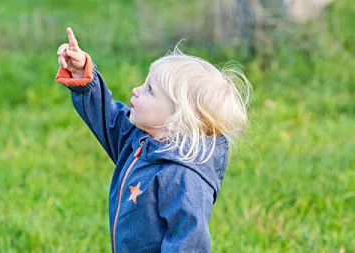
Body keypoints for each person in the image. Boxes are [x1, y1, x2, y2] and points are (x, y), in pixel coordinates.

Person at [55, 27, 251, 253]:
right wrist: (84, 78)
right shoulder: (141, 140)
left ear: (177, 119)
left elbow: (189, 243)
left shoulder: (183, 177)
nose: (136, 90)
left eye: (150, 90)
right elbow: (107, 120)